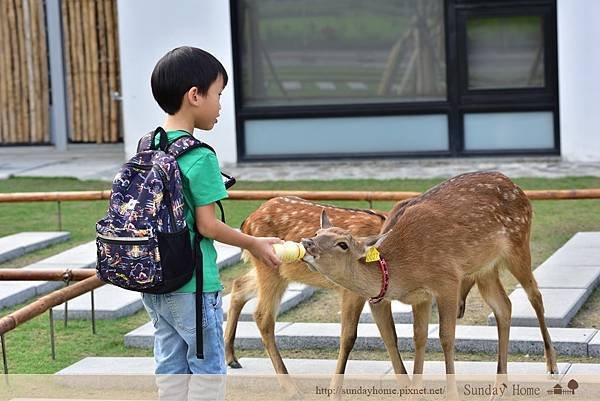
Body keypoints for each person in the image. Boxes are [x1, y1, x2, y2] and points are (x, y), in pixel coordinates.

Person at [141, 46, 282, 400]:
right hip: (192, 283)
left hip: (154, 282)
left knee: (170, 368)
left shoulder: (148, 146)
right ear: (195, 96)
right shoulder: (199, 156)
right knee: (207, 372)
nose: (220, 105)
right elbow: (208, 226)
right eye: (218, 95)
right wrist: (254, 243)